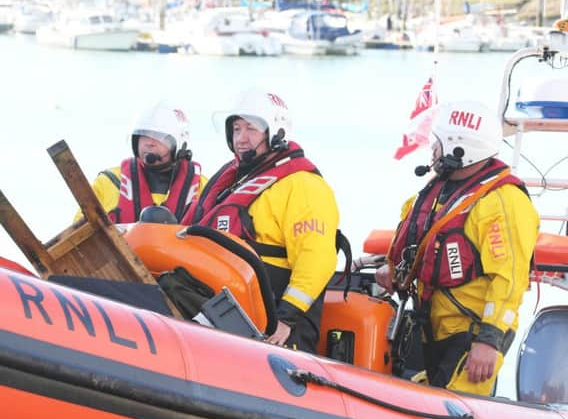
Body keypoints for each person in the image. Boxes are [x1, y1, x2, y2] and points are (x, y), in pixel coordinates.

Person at [375, 100, 539, 396]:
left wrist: (488, 341)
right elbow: (416, 236)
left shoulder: (502, 202)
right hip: (434, 328)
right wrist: (392, 268)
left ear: (458, 148)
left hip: (472, 336)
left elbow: (509, 280)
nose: (432, 151)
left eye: (436, 144)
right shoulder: (440, 190)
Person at [182, 88, 342, 353]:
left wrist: (286, 317)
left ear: (276, 132)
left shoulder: (302, 185)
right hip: (223, 302)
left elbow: (316, 257)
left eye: (251, 129)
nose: (241, 138)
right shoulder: (230, 182)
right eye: (236, 129)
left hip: (274, 320)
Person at [78, 101, 207, 224]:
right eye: (144, 135)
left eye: (158, 137)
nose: (149, 143)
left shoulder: (204, 188)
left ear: (180, 144)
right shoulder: (107, 183)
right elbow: (79, 235)